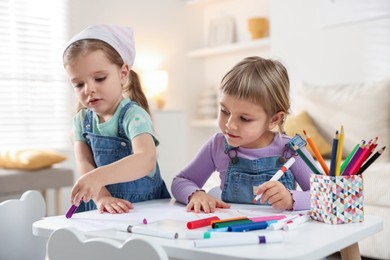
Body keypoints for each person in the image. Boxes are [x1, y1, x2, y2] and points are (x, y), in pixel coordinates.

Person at [171, 56, 317, 213]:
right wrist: (196, 194)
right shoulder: (218, 145)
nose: (229, 124)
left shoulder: (291, 150)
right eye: (224, 111)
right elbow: (181, 181)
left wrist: (291, 199)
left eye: (245, 118)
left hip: (279, 232)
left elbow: (325, 194)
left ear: (274, 119)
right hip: (231, 229)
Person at [63, 24, 171, 214]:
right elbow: (85, 164)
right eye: (79, 84)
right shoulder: (81, 120)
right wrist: (101, 196)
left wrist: (99, 177)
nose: (88, 90)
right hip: (99, 205)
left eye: (100, 78)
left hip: (140, 209)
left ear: (123, 74)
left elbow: (146, 158)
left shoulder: (133, 116)